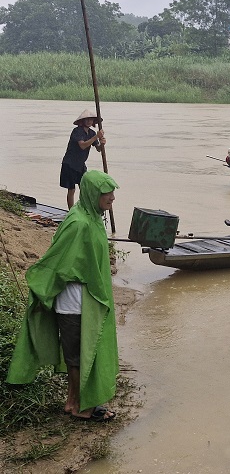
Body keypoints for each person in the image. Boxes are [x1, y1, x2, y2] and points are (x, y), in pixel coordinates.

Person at [7, 170, 120, 422]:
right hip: (75, 303)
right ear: (93, 193)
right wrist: (42, 289)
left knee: (76, 355)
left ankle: (72, 401)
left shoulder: (91, 216)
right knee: (79, 355)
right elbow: (57, 262)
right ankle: (81, 407)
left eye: (113, 192)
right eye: (106, 192)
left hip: (84, 300)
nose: (112, 197)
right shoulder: (79, 223)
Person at [61, 109, 106, 209]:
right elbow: (82, 145)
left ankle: (84, 208)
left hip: (80, 165)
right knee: (71, 189)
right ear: (82, 121)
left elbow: (98, 149)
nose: (89, 121)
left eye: (91, 120)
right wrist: (96, 137)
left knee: (84, 188)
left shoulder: (91, 133)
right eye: (87, 119)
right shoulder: (77, 131)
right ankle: (71, 211)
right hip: (70, 163)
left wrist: (102, 143)